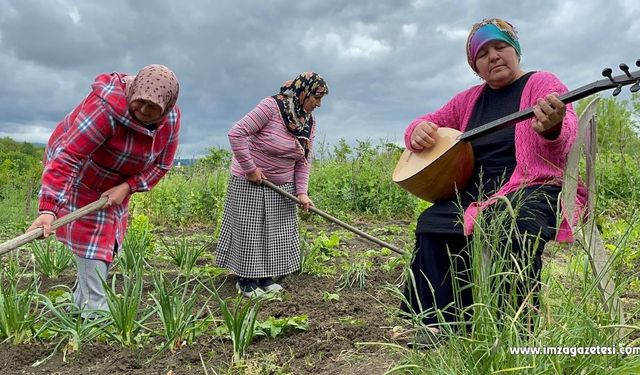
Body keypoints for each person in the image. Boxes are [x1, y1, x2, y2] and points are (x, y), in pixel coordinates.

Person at [400, 18, 586, 345]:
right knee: (433, 221)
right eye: (483, 54)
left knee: (511, 221)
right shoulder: (469, 100)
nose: (493, 56)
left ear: (515, 51)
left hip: (535, 186)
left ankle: (511, 331)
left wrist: (552, 127)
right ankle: (441, 323)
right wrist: (417, 130)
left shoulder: (541, 83)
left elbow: (567, 131)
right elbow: (427, 122)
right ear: (476, 66)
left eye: (500, 47)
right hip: (479, 192)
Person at [27, 64, 180, 315]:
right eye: (139, 102)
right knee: (92, 241)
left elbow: (163, 164)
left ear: (166, 108)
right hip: (81, 173)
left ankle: (78, 308)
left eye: (153, 108)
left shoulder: (170, 121)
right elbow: (68, 159)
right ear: (132, 92)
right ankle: (95, 314)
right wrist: (48, 210)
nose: (143, 110)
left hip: (116, 182)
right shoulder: (105, 109)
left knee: (108, 241)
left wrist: (128, 186)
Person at [215, 72, 328, 297]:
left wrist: (302, 192)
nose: (319, 104)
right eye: (316, 97)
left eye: (321, 98)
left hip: (282, 185)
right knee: (251, 230)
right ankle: (246, 281)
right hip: (251, 181)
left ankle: (266, 278)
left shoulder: (309, 122)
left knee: (277, 233)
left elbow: (304, 159)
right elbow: (236, 133)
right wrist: (250, 168)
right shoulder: (271, 107)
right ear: (303, 92)